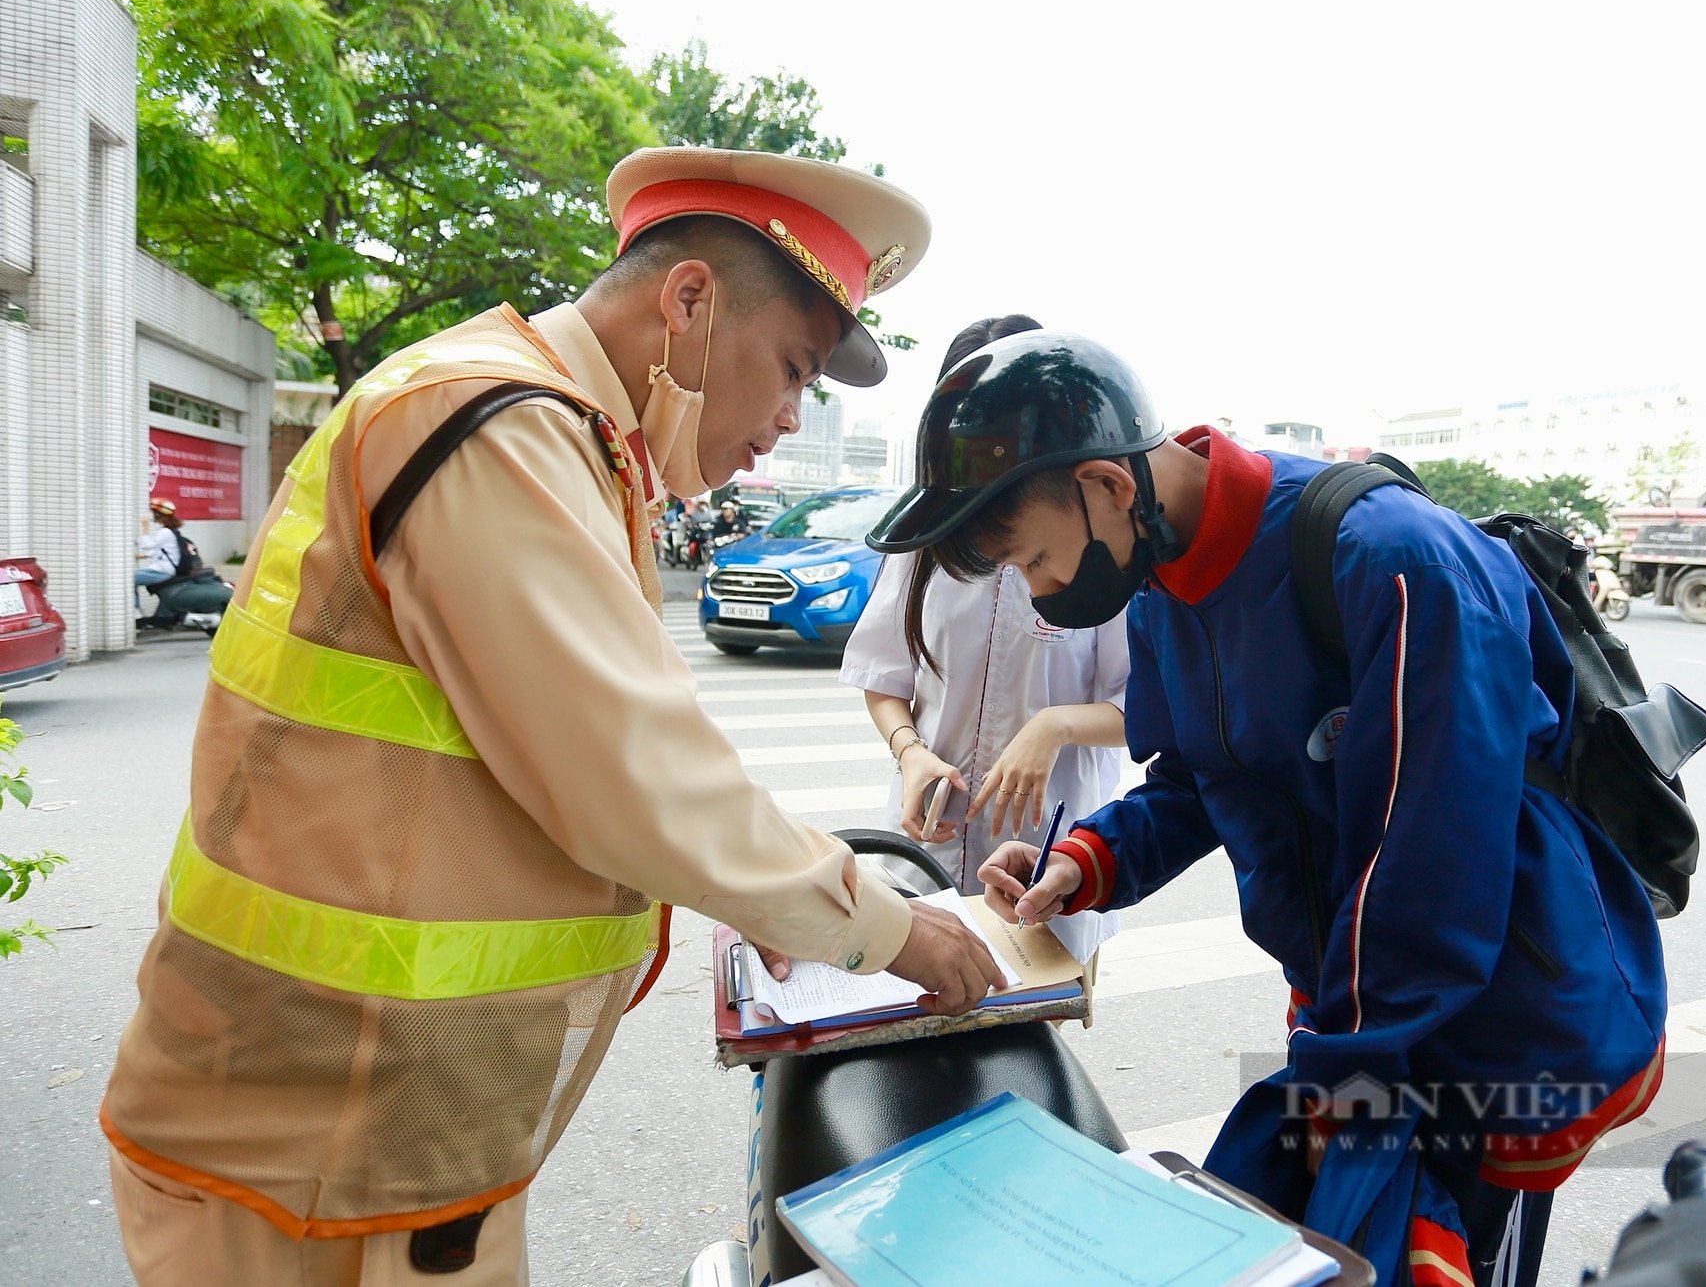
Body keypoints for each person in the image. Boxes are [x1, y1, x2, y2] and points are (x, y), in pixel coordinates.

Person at [99, 147, 1004, 1286]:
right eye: (789, 367)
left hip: (378, 1128)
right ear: (687, 301)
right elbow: (634, 774)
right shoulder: (499, 425)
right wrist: (883, 926)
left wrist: (780, 898)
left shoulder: (561, 440)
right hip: (310, 1138)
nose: (784, 418)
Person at [869, 331, 1668, 1287]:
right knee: (1341, 1250)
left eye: (1035, 558)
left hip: (1494, 1017)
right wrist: (1083, 863)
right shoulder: (1165, 586)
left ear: (1110, 487)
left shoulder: (1393, 560)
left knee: (1444, 1255)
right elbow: (1200, 780)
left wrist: (1339, 1081)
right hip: (1356, 1013)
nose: (1041, 595)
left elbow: (1431, 863)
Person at [840, 315, 1130, 895]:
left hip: (1051, 856)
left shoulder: (1100, 543)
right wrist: (911, 754)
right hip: (925, 848)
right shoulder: (925, 541)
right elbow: (884, 674)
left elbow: (1145, 706)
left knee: (1042, 985)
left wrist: (1056, 726)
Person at [132, 498, 182, 609]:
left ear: (158, 515)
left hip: (163, 572)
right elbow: (164, 550)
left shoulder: (165, 532)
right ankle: (135, 610)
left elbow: (147, 545)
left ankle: (134, 611)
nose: (151, 515)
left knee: (128, 579)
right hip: (165, 570)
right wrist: (144, 556)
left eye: (153, 513)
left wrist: (145, 527)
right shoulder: (171, 531)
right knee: (131, 578)